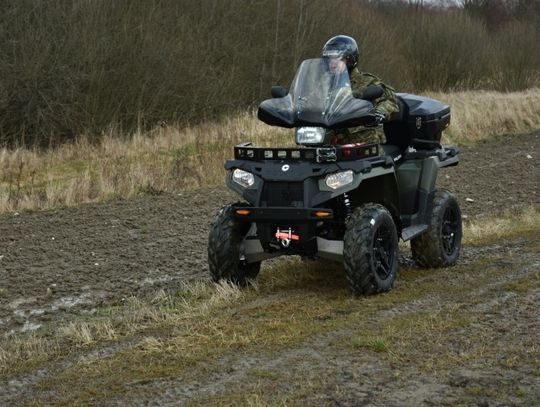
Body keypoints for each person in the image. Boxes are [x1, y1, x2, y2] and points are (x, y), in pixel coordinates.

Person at [322, 35, 399, 146]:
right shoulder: (322, 84)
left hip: (364, 141)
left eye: (338, 58)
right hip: (329, 140)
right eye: (330, 59)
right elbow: (308, 100)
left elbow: (390, 99)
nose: (333, 63)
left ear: (350, 59)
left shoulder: (367, 81)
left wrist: (379, 112)